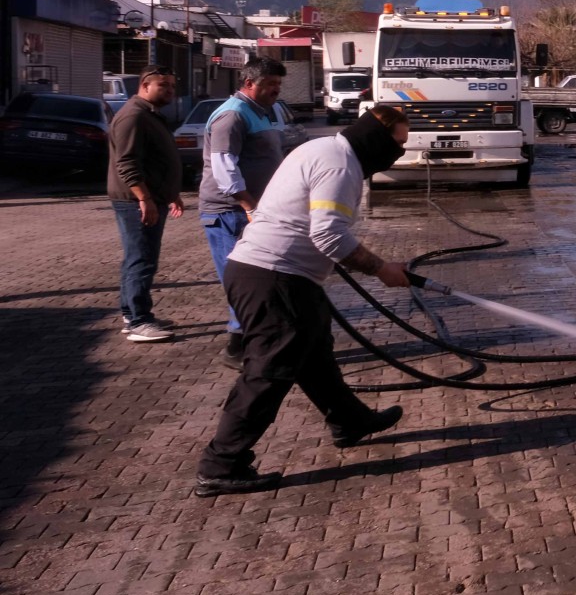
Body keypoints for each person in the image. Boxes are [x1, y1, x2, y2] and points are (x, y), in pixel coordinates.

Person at [194, 105, 414, 497]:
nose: (398, 152)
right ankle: (221, 464)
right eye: (397, 144)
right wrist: (382, 269)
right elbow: (328, 235)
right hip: (273, 277)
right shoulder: (340, 166)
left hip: (278, 274)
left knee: (314, 353)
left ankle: (350, 421)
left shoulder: (325, 149)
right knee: (268, 371)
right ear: (376, 139)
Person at [198, 57, 289, 368]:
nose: (276, 90)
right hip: (230, 212)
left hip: (255, 209)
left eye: (278, 84)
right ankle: (238, 348)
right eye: (270, 85)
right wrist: (249, 206)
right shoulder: (232, 116)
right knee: (243, 281)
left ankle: (253, 341)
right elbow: (225, 169)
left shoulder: (264, 112)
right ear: (249, 84)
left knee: (259, 279)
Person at [108, 66, 185, 342]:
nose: (170, 91)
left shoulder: (150, 114)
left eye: (172, 86)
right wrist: (145, 199)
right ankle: (139, 320)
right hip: (135, 202)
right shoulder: (133, 116)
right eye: (163, 86)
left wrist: (171, 193)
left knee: (137, 258)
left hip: (151, 198)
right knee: (142, 259)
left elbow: (157, 160)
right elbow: (127, 163)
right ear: (145, 85)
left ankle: (132, 314)